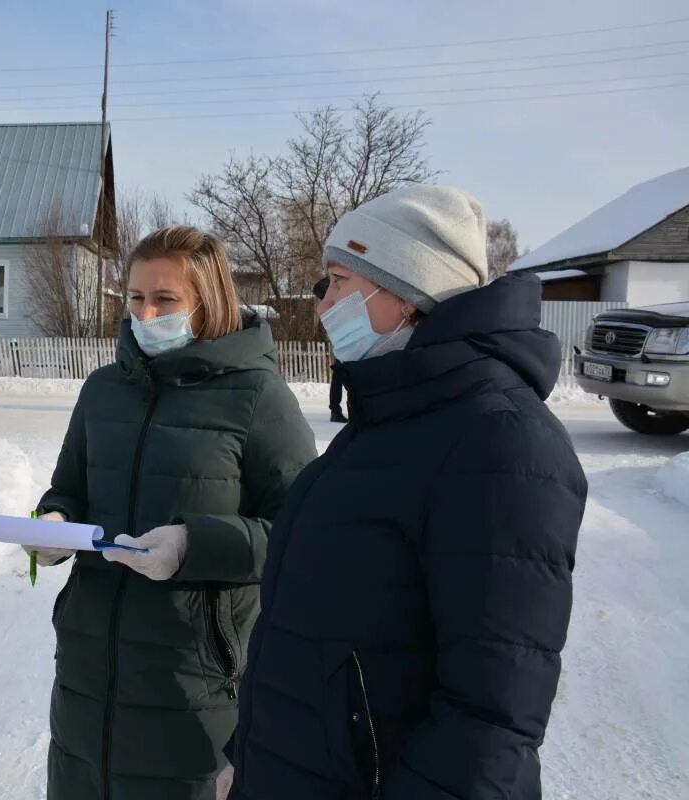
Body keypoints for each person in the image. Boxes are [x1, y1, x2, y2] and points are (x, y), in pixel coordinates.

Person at [217, 185, 587, 800]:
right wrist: (249, 758)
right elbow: (320, 637)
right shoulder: (390, 417)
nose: (323, 303)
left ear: (408, 292)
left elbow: (490, 718)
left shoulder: (501, 445)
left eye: (337, 281)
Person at [30, 225, 318, 800]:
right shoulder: (102, 391)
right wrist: (53, 525)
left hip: (196, 687)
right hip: (89, 681)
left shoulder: (258, 396)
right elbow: (66, 491)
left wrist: (194, 547)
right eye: (136, 298)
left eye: (166, 299)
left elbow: (303, 531)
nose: (147, 312)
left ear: (206, 302)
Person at [314, 277, 349, 423]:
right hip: (341, 336)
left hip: (341, 335)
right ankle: (337, 410)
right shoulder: (332, 290)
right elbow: (318, 287)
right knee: (343, 375)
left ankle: (336, 409)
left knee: (340, 376)